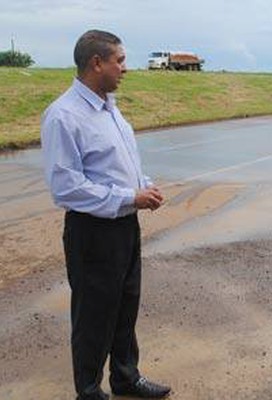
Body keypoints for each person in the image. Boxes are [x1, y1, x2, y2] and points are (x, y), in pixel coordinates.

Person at [41, 30, 171, 400]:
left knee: (125, 305)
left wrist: (143, 185)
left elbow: (121, 163)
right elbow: (66, 187)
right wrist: (130, 195)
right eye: (120, 60)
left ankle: (126, 378)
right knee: (94, 314)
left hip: (125, 224)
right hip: (92, 231)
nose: (125, 69)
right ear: (96, 63)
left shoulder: (110, 107)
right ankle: (88, 391)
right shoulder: (64, 116)